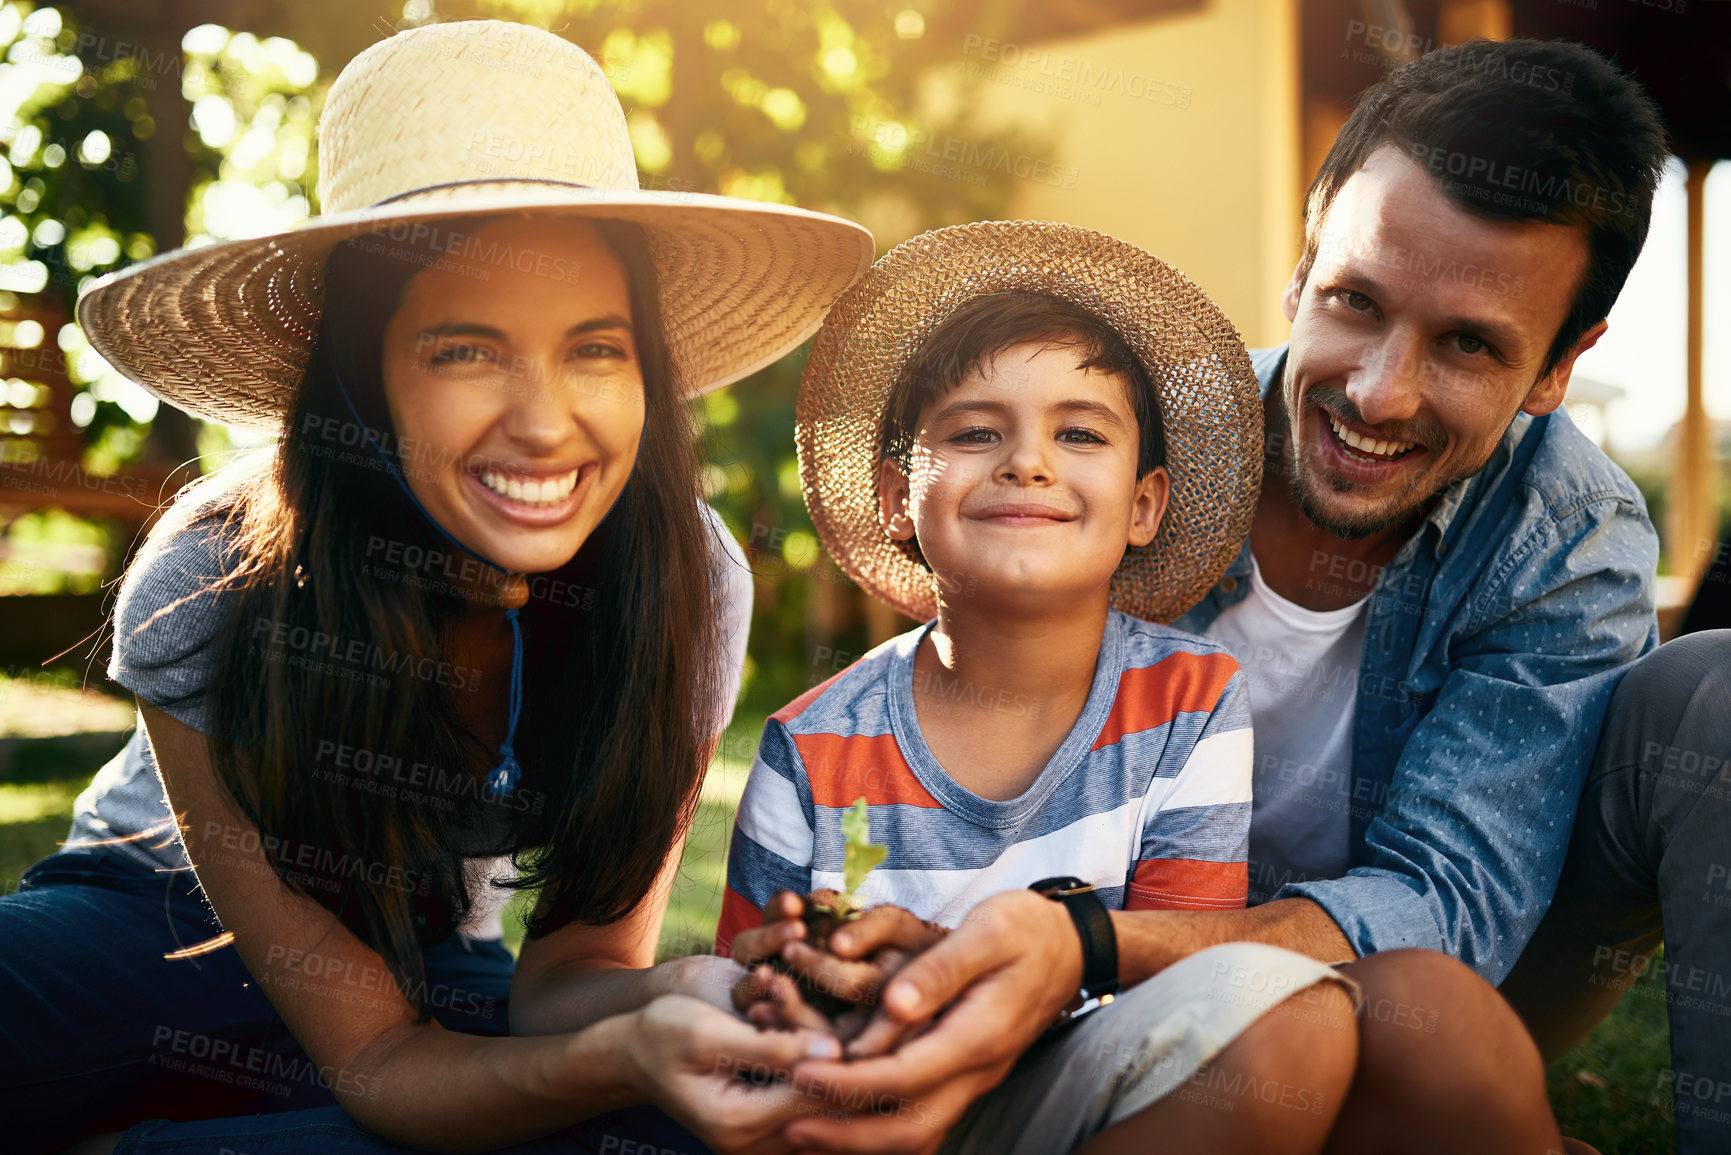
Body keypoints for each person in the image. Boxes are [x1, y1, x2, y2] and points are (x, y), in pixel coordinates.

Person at [760, 36, 1722, 1155]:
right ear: (1306, 252)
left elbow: (1444, 911)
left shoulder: (1568, 535)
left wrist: (1093, 944)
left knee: (1715, 697)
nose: (1379, 391)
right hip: (1091, 963)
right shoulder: (1110, 452)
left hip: (1422, 966)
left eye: (1467, 345)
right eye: (1355, 300)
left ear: (1562, 366)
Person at [0, 20, 875, 1155]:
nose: (545, 421)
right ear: (364, 381)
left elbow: (575, 980)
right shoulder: (217, 568)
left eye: (595, 350)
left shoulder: (687, 579)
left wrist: (702, 999)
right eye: (465, 350)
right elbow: (368, 1058)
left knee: (675, 1126)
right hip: (146, 929)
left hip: (433, 973)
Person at [724, 221, 1571, 1155]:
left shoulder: (1187, 702)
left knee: (1282, 1023)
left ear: (1144, 505)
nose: (1027, 462)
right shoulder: (811, 746)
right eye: (974, 432)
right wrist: (801, 982)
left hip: (1081, 1091)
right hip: (864, 1098)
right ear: (895, 498)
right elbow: (750, 1000)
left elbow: (1186, 988)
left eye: (1078, 431)